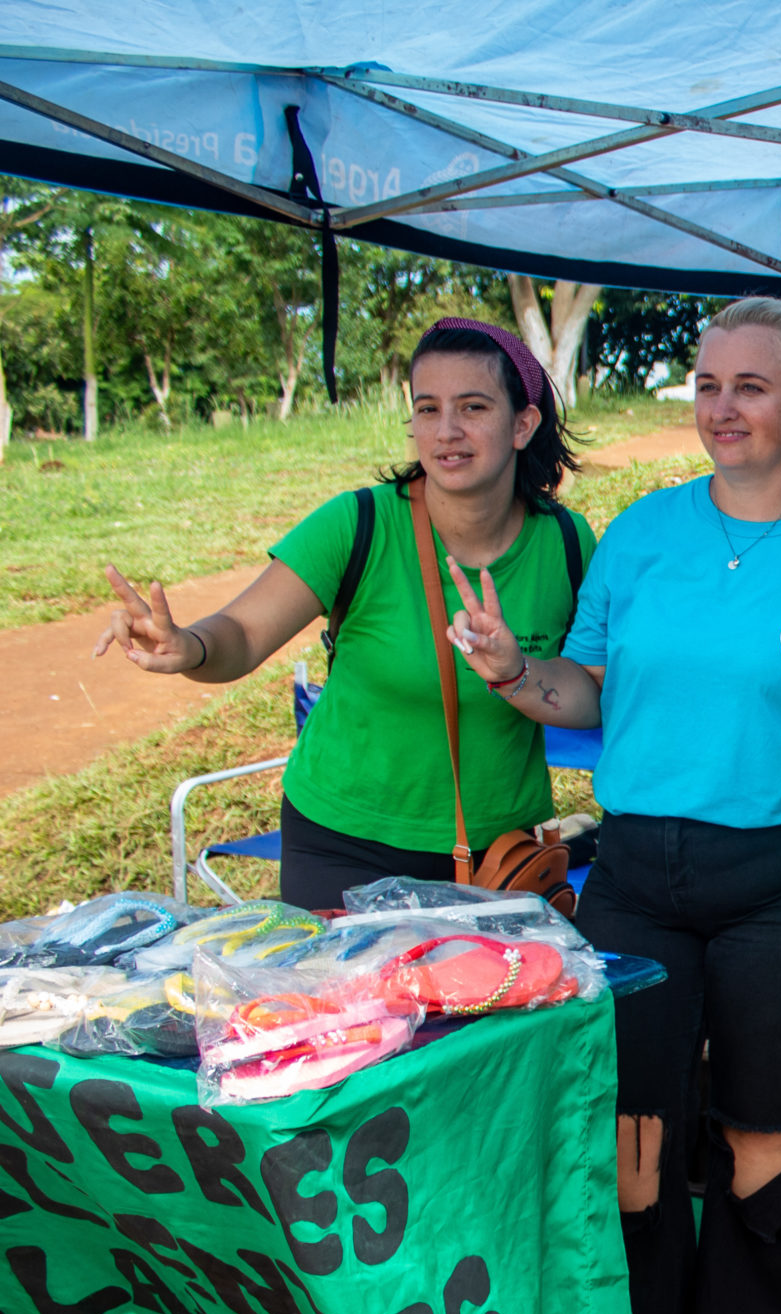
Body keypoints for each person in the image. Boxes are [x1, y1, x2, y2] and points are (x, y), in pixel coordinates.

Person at [444, 296, 781, 1314]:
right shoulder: (643, 534)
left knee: (769, 1117)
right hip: (641, 873)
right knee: (636, 1122)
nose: (722, 408)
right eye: (708, 385)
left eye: (751, 387)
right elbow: (583, 692)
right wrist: (515, 669)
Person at [95, 318, 592, 910]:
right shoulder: (356, 526)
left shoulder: (566, 543)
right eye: (427, 409)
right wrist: (188, 647)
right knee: (360, 1009)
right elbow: (243, 632)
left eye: (474, 407)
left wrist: (517, 672)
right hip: (345, 849)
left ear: (523, 424)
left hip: (502, 856)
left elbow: (585, 690)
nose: (446, 431)